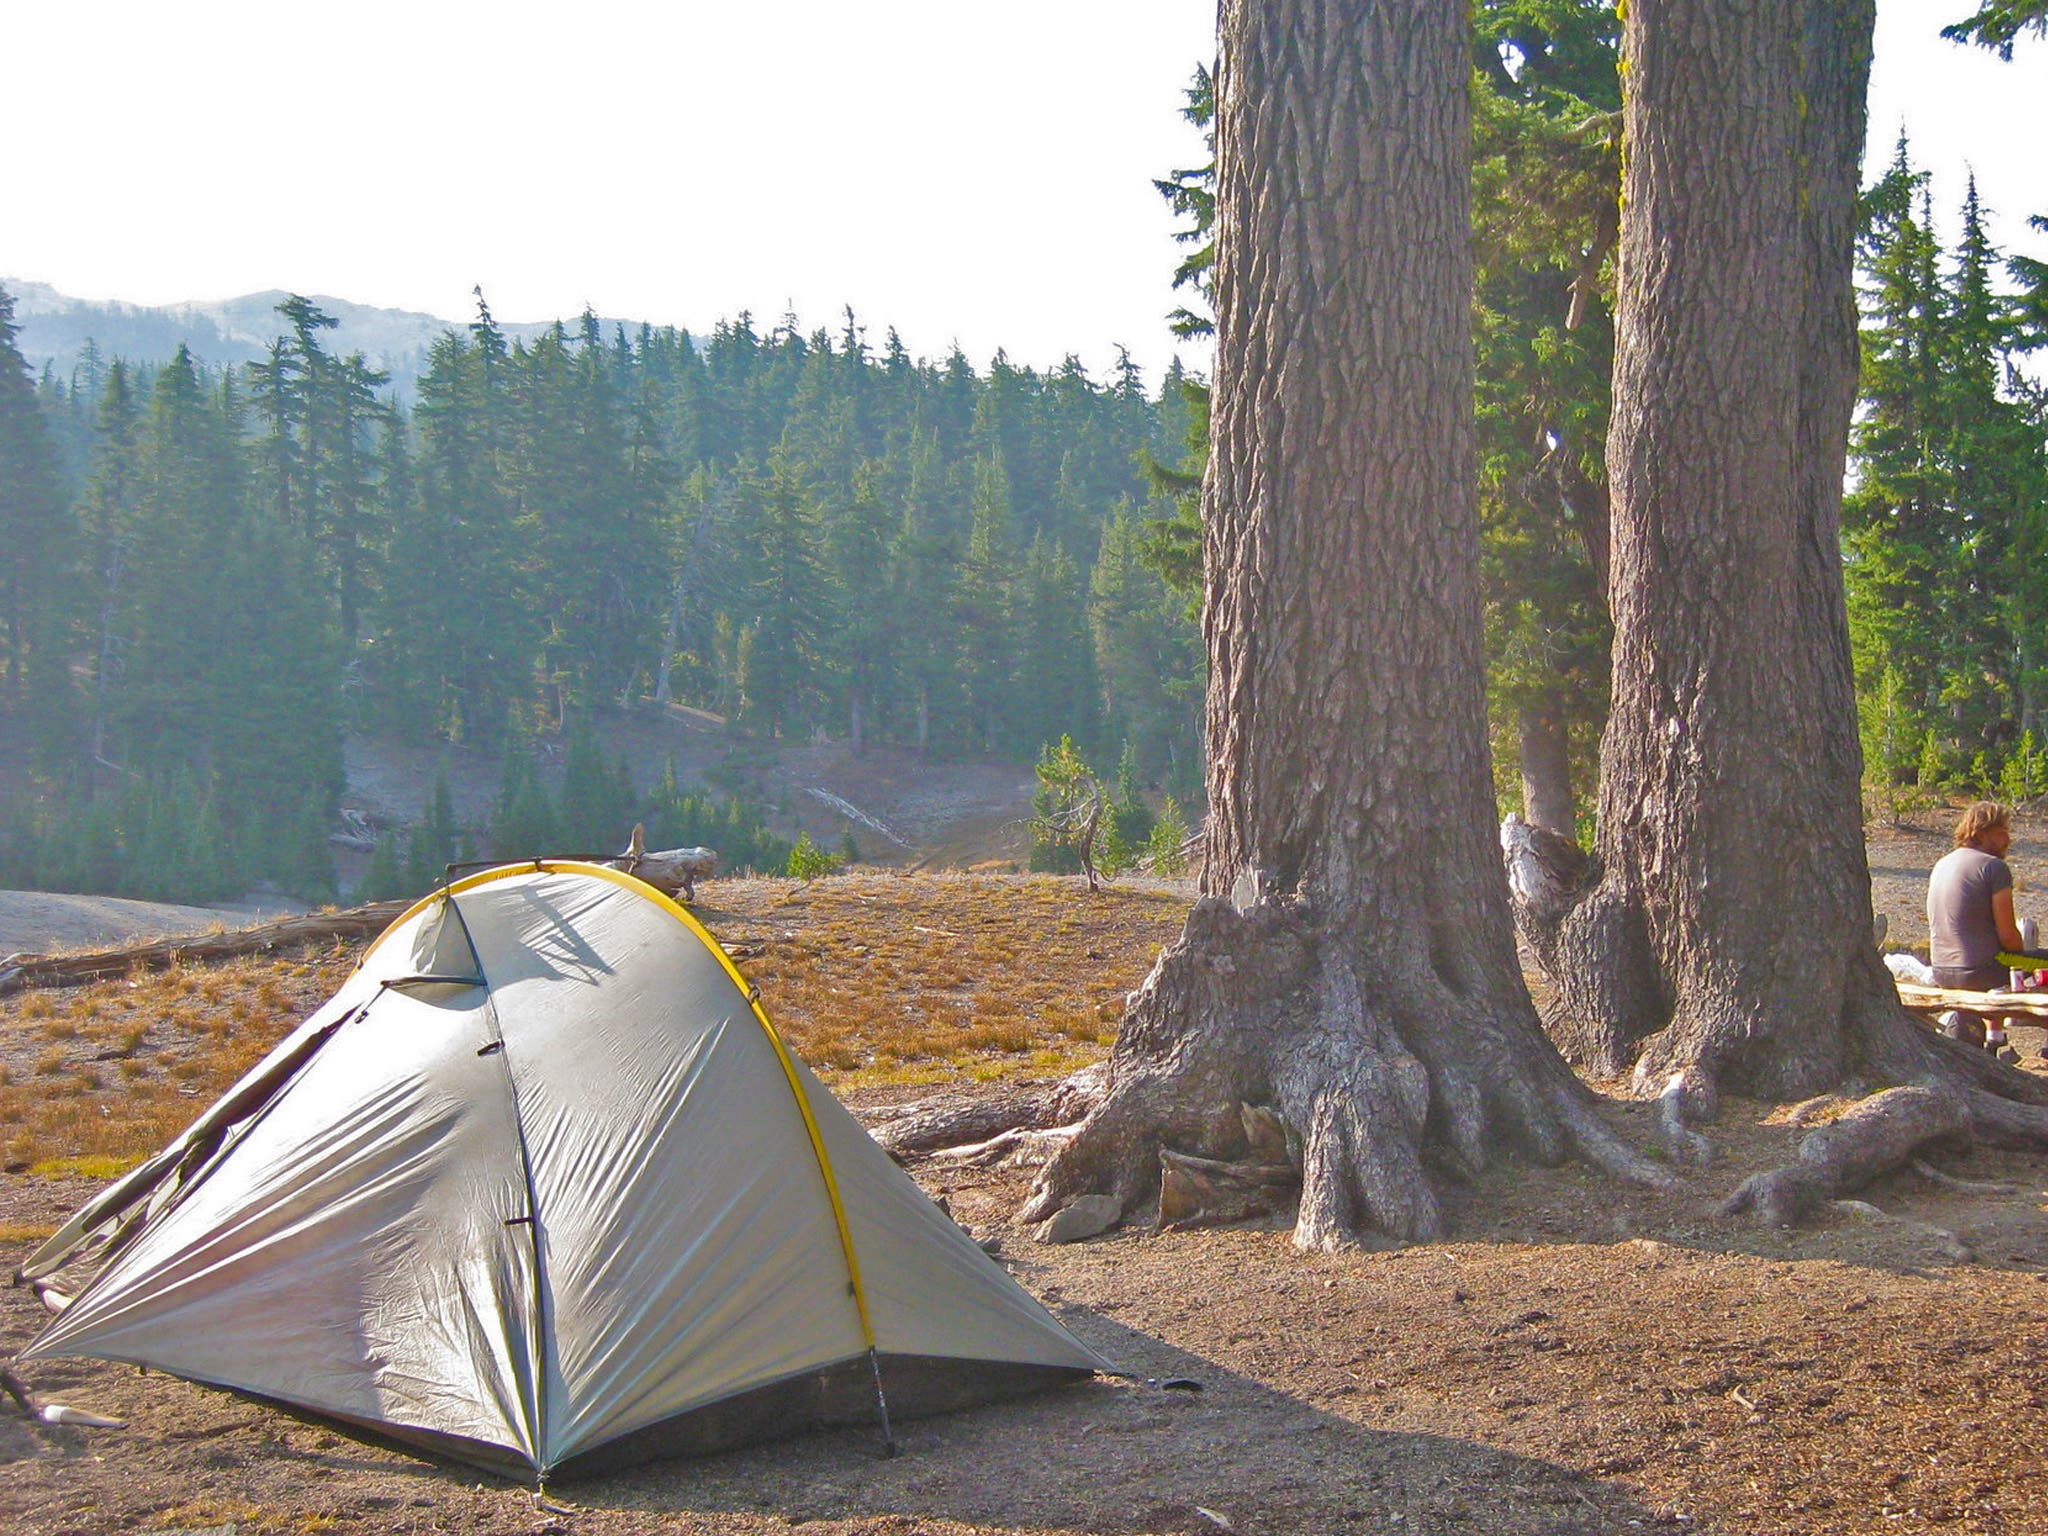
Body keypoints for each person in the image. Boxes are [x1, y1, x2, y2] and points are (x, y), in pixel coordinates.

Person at [1926, 800, 2037, 1058]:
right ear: (1982, 832)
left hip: (1942, 969)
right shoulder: (1994, 867)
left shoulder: (1942, 864)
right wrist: (2023, 963)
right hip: (1979, 970)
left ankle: (1996, 1040)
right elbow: (2009, 937)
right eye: (2002, 831)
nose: (2008, 838)